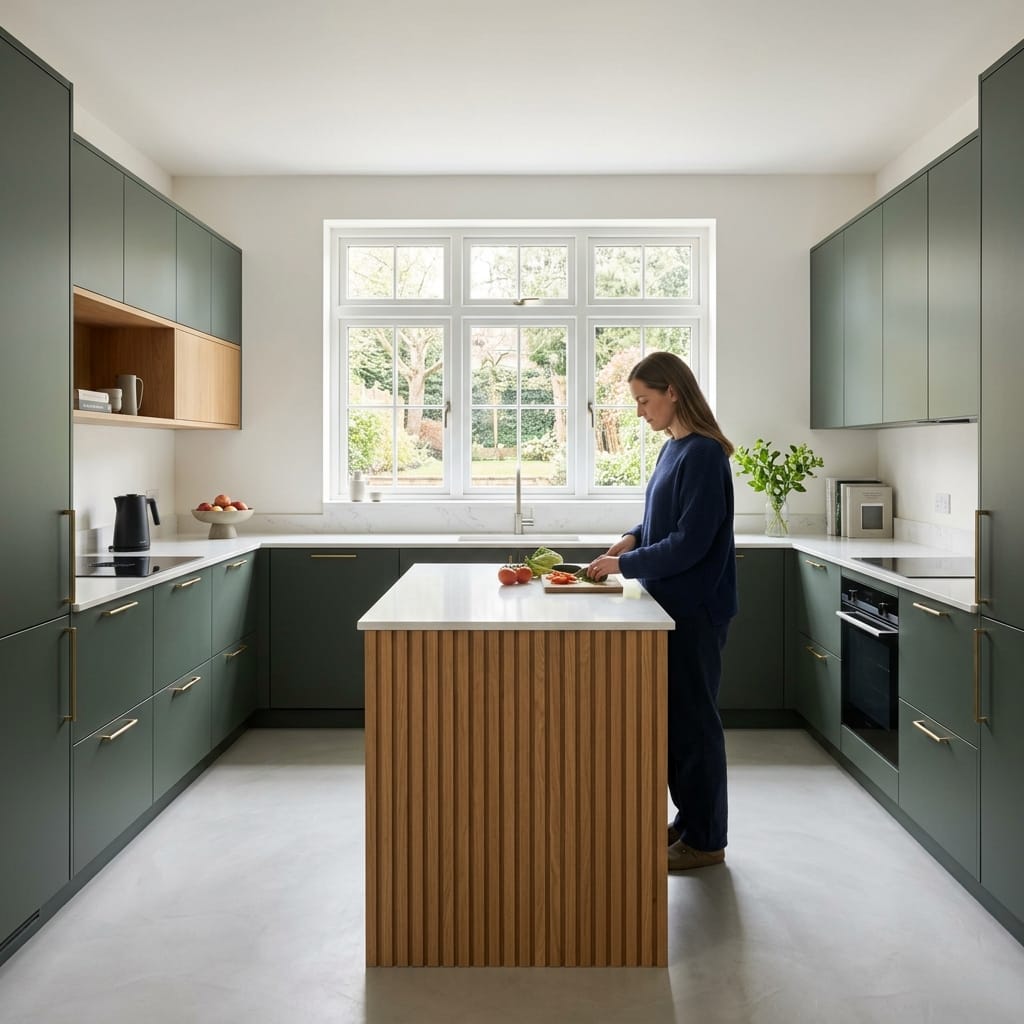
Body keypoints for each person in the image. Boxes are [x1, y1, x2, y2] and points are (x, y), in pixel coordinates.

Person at [587, 351, 737, 871]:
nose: (639, 412)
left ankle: (708, 840)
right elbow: (659, 520)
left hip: (695, 609)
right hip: (670, 607)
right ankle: (689, 821)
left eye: (643, 400)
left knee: (695, 728)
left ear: (673, 391)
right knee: (677, 725)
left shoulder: (704, 455)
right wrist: (628, 540)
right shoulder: (674, 449)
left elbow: (690, 543)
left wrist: (621, 566)